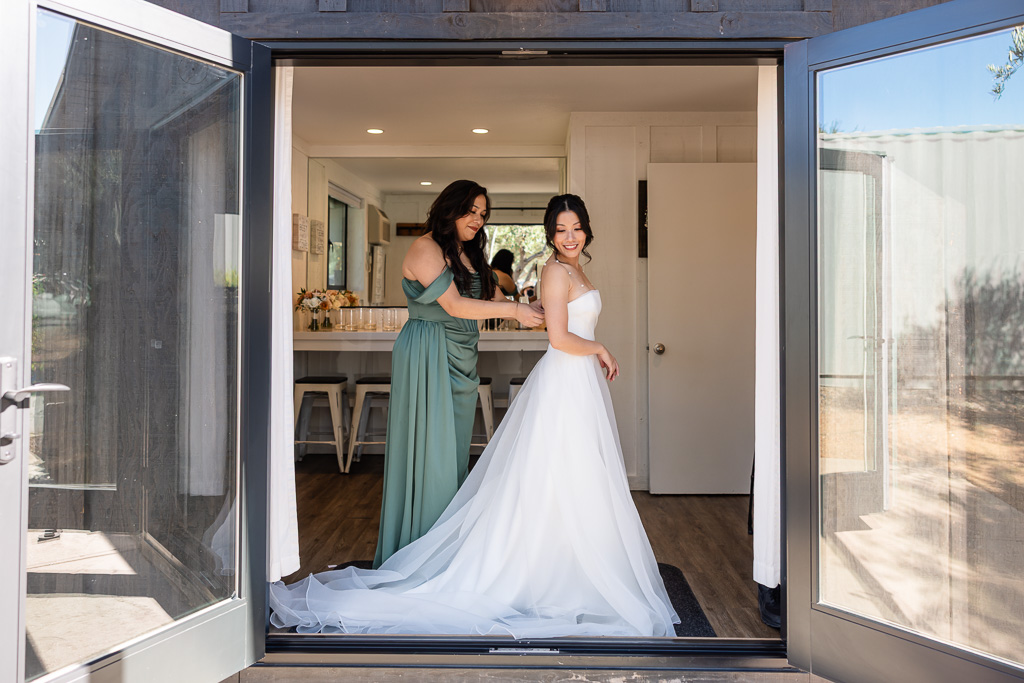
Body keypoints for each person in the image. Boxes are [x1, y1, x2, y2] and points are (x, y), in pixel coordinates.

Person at [269, 193, 679, 637]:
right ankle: (535, 570)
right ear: (549, 234)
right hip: (559, 376)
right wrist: (597, 346)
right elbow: (556, 337)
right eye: (560, 230)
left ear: (586, 228)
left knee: (574, 475)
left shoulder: (570, 266)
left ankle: (573, 562)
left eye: (576, 227)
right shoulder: (552, 270)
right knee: (550, 473)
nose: (570, 236)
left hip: (577, 382)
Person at [373, 179, 544, 568]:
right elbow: (453, 305)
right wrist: (516, 313)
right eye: (471, 211)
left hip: (463, 354)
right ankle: (419, 552)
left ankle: (446, 547)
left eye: (483, 215)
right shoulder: (424, 248)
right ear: (450, 208)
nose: (477, 220)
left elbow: (496, 299)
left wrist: (540, 307)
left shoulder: (467, 254)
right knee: (431, 452)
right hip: (429, 351)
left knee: (452, 457)